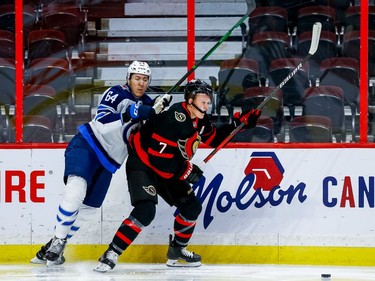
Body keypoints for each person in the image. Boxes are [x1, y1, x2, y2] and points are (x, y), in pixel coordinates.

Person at [94, 79, 261, 272]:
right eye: (202, 100)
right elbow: (158, 160)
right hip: (143, 164)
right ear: (190, 100)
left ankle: (177, 251)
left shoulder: (198, 118)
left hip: (168, 166)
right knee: (145, 211)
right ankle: (111, 252)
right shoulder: (174, 117)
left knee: (191, 208)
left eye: (208, 101)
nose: (206, 105)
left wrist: (240, 124)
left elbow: (214, 138)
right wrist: (186, 170)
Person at [30, 61, 171, 266]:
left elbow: (149, 134)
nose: (140, 83)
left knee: (90, 209)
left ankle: (54, 245)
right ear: (128, 79)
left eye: (145, 79)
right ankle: (58, 241)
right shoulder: (116, 93)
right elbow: (103, 124)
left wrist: (159, 111)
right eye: (137, 78)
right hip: (88, 145)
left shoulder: (148, 104)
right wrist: (132, 113)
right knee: (75, 190)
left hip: (109, 162)